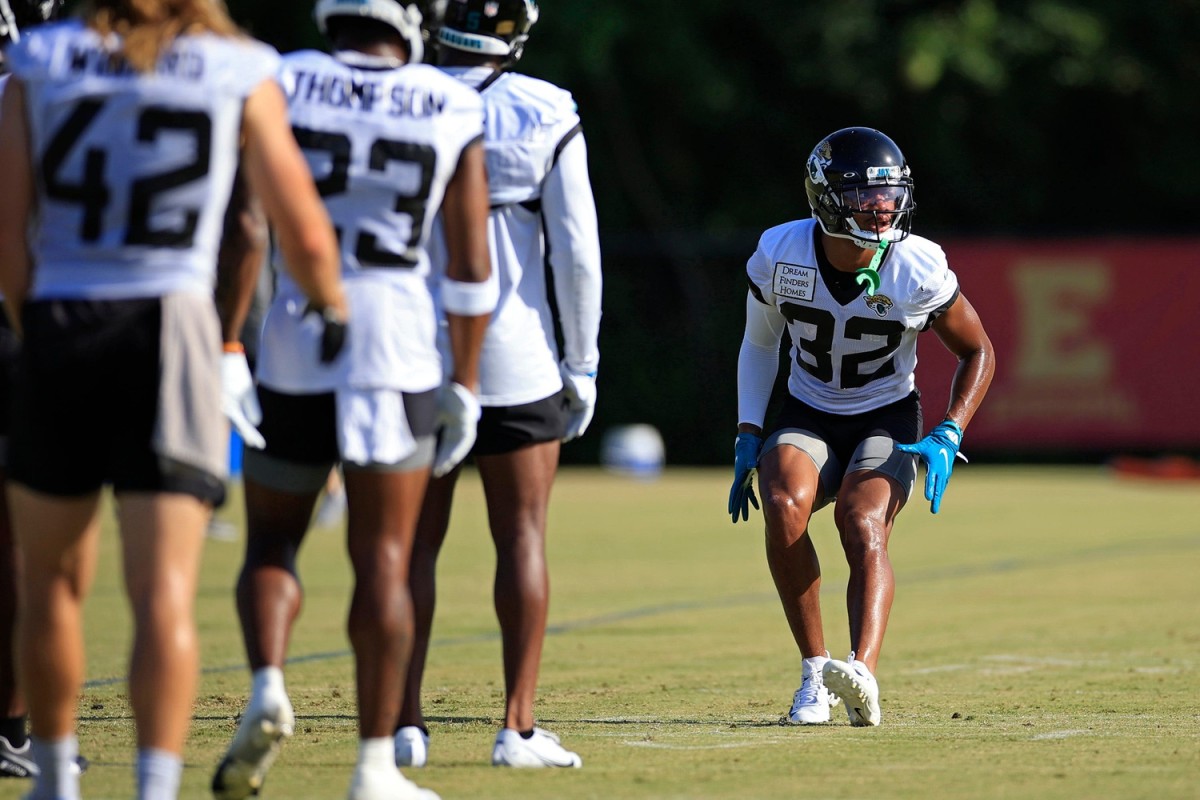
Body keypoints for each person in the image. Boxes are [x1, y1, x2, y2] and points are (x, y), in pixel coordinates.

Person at [0, 0, 347, 796]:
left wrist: (42, 322)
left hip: (59, 319)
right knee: (163, 594)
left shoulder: (40, 60)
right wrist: (336, 306)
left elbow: (8, 239)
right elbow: (298, 229)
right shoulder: (237, 65)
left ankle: (54, 779)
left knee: (50, 581)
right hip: (173, 326)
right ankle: (154, 788)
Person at [210, 0, 492, 797]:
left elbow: (248, 224)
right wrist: (465, 382)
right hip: (396, 344)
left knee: (271, 541)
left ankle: (267, 683)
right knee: (386, 560)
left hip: (298, 334)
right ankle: (373, 765)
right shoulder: (450, 100)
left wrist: (231, 340)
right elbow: (470, 266)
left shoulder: (282, 78)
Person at [728, 127, 994, 728]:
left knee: (861, 518)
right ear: (824, 197)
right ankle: (814, 677)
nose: (882, 207)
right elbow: (759, 343)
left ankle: (863, 675)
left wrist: (952, 429)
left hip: (884, 412)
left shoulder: (916, 264)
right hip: (809, 408)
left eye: (889, 194)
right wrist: (748, 430)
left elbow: (979, 351)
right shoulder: (780, 252)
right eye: (864, 196)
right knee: (782, 503)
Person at [395, 0, 601, 770]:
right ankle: (516, 728)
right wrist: (582, 361)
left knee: (411, 543)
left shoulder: (401, 92)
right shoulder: (545, 108)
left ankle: (402, 721)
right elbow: (577, 249)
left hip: (416, 349)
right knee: (521, 536)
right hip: (517, 352)